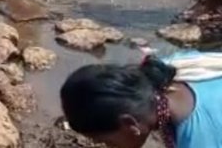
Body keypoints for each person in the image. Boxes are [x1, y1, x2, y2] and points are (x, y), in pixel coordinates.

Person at [60, 52, 222, 148]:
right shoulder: (167, 69)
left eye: (107, 142)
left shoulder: (201, 139)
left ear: (129, 124)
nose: (109, 147)